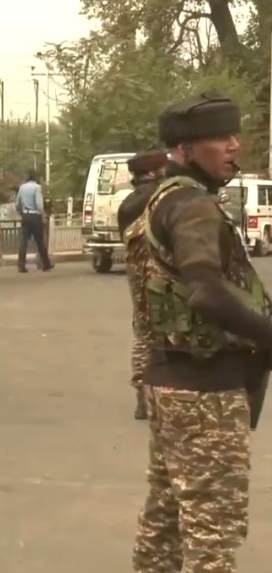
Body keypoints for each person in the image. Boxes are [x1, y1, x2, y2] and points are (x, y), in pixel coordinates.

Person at [125, 92, 272, 573]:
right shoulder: (191, 205)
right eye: (221, 138)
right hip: (206, 388)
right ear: (185, 148)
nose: (235, 146)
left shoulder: (158, 199)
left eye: (235, 135)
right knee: (213, 528)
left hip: (171, 379)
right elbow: (205, 289)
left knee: (166, 508)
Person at [116, 150, 168, 421]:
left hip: (136, 272)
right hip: (158, 270)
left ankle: (142, 395)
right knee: (164, 331)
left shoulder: (127, 203)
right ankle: (158, 393)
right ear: (153, 172)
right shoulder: (159, 197)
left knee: (142, 331)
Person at [14, 170, 53, 273]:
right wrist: (43, 215)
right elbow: (39, 204)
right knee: (40, 242)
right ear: (35, 178)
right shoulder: (37, 188)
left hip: (25, 216)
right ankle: (46, 264)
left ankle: (21, 266)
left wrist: (22, 213)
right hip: (35, 216)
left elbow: (17, 204)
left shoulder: (22, 188)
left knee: (23, 242)